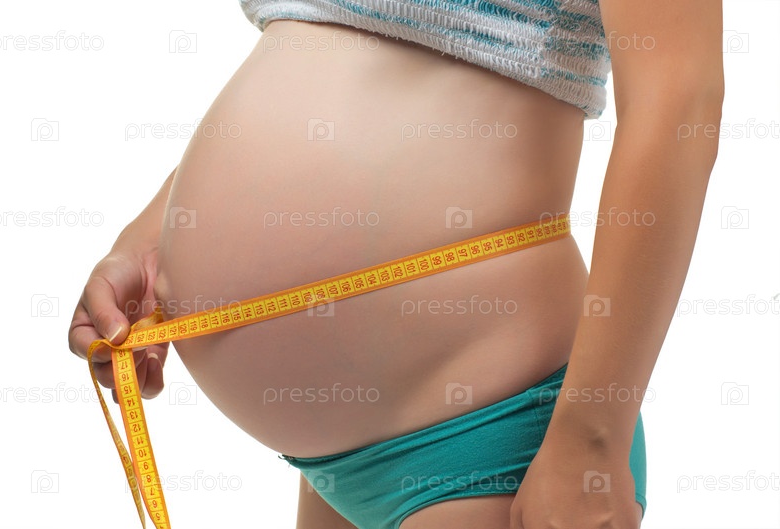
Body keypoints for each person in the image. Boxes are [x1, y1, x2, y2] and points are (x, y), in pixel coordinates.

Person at [68, 0, 724, 527]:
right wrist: (156, 236)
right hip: (332, 458)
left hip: (489, 436)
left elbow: (680, 100)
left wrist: (594, 435)